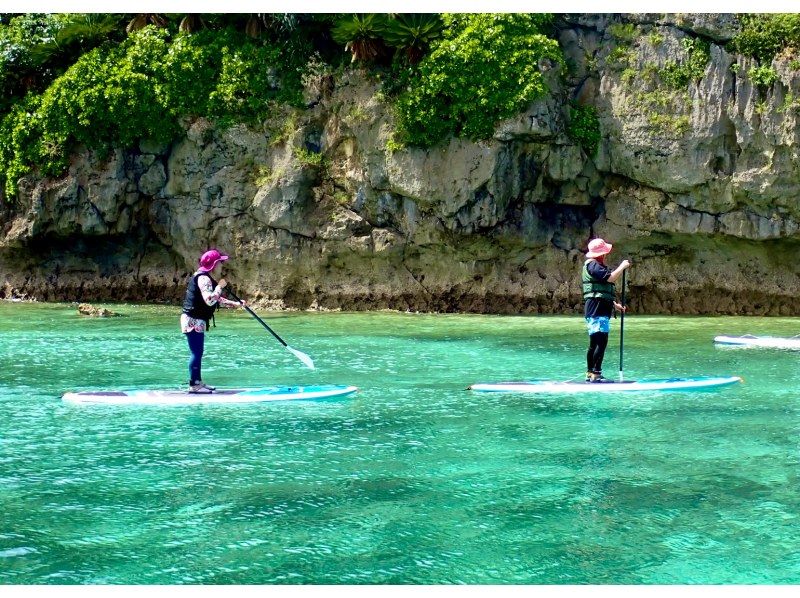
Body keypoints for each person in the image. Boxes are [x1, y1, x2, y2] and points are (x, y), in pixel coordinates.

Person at [181, 249, 246, 393]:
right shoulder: (204, 279)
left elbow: (216, 298)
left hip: (195, 320)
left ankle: (198, 383)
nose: (222, 265)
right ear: (214, 264)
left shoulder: (204, 277)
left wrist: (235, 304)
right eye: (220, 262)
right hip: (192, 320)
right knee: (196, 353)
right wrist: (219, 287)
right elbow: (210, 300)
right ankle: (194, 385)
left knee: (198, 352)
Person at [581, 238, 630, 383]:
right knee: (601, 342)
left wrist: (614, 305)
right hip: (597, 309)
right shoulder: (593, 266)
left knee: (594, 343)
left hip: (595, 308)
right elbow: (610, 278)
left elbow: (599, 292)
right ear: (601, 254)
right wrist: (622, 267)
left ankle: (590, 373)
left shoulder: (593, 266)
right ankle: (596, 374)